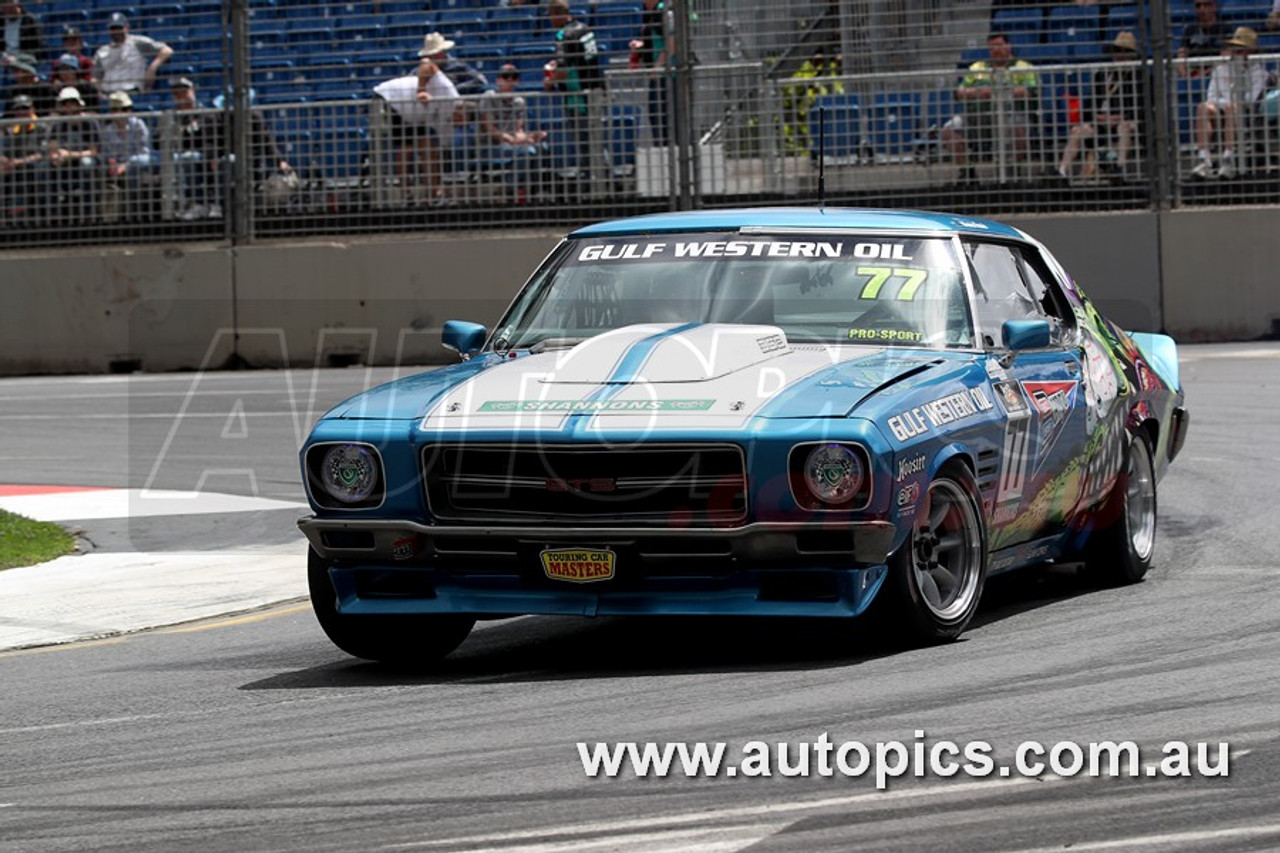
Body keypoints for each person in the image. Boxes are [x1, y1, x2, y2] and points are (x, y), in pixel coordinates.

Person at [941, 32, 1038, 184]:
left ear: (1008, 46)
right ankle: (967, 171)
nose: (996, 50)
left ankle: (1011, 169)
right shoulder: (977, 67)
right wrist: (977, 92)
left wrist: (998, 92)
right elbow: (960, 92)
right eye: (992, 47)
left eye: (999, 46)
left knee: (1019, 128)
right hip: (978, 116)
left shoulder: (1022, 67)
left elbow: (1030, 90)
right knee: (949, 130)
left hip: (1011, 114)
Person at [373, 43, 460, 205]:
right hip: (394, 100)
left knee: (429, 148)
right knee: (406, 146)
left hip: (413, 115)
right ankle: (407, 193)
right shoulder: (451, 93)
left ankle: (434, 192)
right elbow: (427, 64)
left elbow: (441, 145)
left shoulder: (448, 121)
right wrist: (421, 89)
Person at [1051, 31, 1143, 184]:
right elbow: (1090, 104)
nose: (1120, 56)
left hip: (1127, 121)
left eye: (1125, 52)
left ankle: (1118, 167)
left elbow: (1142, 105)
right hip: (1101, 122)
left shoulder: (1140, 77)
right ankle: (1062, 171)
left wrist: (1121, 117)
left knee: (1124, 127)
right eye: (1118, 51)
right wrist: (1097, 116)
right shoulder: (1102, 75)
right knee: (1077, 131)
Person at [1192, 27, 1269, 179]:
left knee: (1231, 108)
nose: (1237, 54)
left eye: (1242, 50)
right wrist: (1227, 103)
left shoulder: (1260, 73)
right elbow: (1211, 96)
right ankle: (1204, 160)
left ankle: (1228, 159)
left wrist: (1230, 104)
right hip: (1222, 110)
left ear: (1251, 52)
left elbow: (1252, 99)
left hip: (1246, 115)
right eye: (1235, 49)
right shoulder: (1220, 69)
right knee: (1203, 107)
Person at [544, 0, 603, 182]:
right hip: (595, 89)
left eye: (551, 15)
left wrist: (549, 81)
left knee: (585, 140)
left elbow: (564, 69)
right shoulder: (585, 29)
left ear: (557, 14)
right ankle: (602, 177)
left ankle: (591, 179)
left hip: (577, 96)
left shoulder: (564, 35)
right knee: (596, 139)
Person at [479, 63, 548, 202]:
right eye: (505, 77)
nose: (509, 81)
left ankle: (531, 191)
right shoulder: (489, 97)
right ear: (498, 80)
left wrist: (528, 137)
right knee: (527, 152)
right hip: (493, 144)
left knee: (540, 149)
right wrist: (510, 139)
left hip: (512, 143)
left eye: (514, 77)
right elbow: (489, 128)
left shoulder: (519, 101)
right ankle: (511, 188)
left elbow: (518, 129)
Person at [97, 90, 156, 220]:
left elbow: (144, 151)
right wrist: (112, 163)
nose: (119, 113)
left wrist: (127, 165)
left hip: (137, 164)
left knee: (136, 163)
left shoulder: (138, 125)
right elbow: (106, 153)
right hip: (117, 168)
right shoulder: (107, 130)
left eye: (123, 109)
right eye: (115, 109)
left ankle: (134, 213)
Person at [43, 86, 98, 224]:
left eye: (72, 103)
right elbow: (53, 148)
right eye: (66, 103)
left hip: (83, 161)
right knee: (44, 168)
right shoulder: (57, 125)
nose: (69, 107)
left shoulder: (89, 123)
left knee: (87, 163)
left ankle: (87, 213)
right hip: (63, 163)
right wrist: (56, 157)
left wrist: (70, 155)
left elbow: (93, 151)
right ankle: (52, 215)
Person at [91, 12, 173, 99]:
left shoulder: (137, 43)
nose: (116, 31)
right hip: (110, 95)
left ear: (126, 28)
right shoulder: (102, 51)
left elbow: (167, 50)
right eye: (113, 28)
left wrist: (152, 68)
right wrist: (100, 91)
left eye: (119, 28)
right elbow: (95, 77)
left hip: (132, 93)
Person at [630, 0, 670, 146]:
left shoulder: (663, 10)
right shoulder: (652, 13)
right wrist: (642, 46)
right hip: (658, 77)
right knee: (657, 119)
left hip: (667, 77)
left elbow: (674, 39)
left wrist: (658, 66)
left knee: (665, 121)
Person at [0, 93, 44, 220]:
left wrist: (18, 162)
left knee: (34, 169)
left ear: (32, 109)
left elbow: (43, 153)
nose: (22, 112)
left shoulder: (42, 126)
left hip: (34, 167)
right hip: (13, 167)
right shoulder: (10, 129)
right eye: (19, 109)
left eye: (25, 108)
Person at [419, 31, 489, 97]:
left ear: (443, 52)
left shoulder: (457, 65)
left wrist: (455, 88)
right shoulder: (422, 69)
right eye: (431, 55)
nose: (433, 57)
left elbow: (480, 79)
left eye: (436, 54)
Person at [1178, 0, 1230, 78]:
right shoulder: (1189, 30)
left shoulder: (1225, 29)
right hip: (1193, 76)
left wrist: (1206, 73)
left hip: (1217, 76)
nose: (1202, 9)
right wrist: (1186, 76)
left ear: (1214, 6)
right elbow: (1181, 56)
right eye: (1198, 6)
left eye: (1206, 5)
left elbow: (1225, 57)